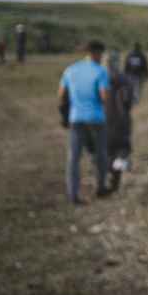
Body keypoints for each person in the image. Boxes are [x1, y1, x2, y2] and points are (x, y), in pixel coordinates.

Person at [58, 40, 111, 204]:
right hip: (96, 119)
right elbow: (104, 97)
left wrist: (65, 115)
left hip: (76, 118)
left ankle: (72, 194)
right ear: (98, 53)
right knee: (100, 155)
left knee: (74, 158)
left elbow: (61, 96)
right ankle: (100, 187)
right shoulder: (101, 71)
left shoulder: (70, 70)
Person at [104, 50, 135, 191]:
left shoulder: (100, 78)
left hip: (104, 120)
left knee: (107, 150)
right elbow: (129, 101)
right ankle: (115, 178)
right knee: (121, 150)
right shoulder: (126, 79)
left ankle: (109, 175)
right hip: (121, 121)